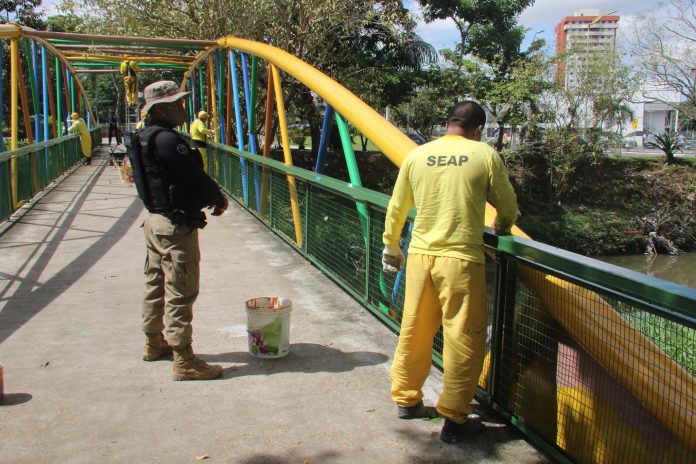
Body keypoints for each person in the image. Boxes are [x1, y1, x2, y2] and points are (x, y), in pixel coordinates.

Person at [382, 101, 518, 444]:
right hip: (460, 259)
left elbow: (397, 207)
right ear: (478, 129)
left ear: (448, 124)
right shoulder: (484, 155)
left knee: (415, 328)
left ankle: (407, 398)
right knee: (463, 338)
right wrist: (501, 228)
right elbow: (508, 207)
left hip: (420, 256)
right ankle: (455, 418)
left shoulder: (418, 155)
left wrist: (391, 246)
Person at [131, 80, 229, 381]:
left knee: (155, 283)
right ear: (161, 108)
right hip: (175, 226)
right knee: (181, 291)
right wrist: (217, 197)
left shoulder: (144, 137)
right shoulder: (166, 140)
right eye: (178, 104)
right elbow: (194, 175)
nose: (183, 108)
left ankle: (153, 342)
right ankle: (184, 359)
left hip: (154, 221)